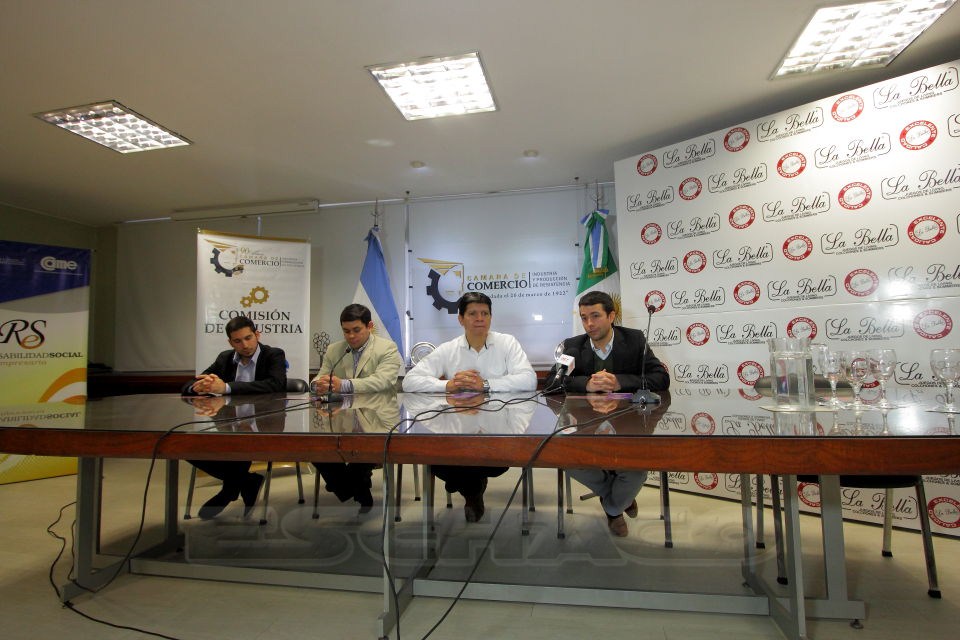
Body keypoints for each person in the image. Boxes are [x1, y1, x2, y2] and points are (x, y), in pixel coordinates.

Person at [402, 292, 537, 522]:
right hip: (458, 432)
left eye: (485, 313)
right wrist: (448, 385)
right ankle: (473, 492)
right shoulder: (448, 349)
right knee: (438, 459)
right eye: (473, 314)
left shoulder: (507, 343)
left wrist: (485, 385)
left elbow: (529, 380)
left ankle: (470, 491)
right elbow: (410, 381)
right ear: (460, 319)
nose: (480, 319)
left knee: (465, 462)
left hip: (498, 435)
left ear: (491, 317)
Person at [545, 290, 670, 537]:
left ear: (611, 316)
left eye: (595, 316)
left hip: (628, 429)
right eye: (584, 318)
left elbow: (661, 378)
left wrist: (620, 382)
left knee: (635, 471)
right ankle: (620, 501)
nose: (589, 324)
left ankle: (612, 508)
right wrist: (586, 384)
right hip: (585, 431)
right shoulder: (573, 346)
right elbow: (551, 383)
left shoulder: (634, 340)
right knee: (566, 460)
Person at [181, 316, 287, 520]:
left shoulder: (273, 354)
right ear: (230, 342)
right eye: (238, 341)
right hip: (229, 424)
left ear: (257, 335)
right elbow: (191, 384)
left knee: (240, 442)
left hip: (264, 424)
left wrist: (226, 387)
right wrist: (198, 386)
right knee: (185, 446)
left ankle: (230, 490)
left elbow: (275, 384)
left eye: (248, 338)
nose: (245, 345)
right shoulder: (225, 358)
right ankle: (246, 482)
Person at [310, 303, 403, 512]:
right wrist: (318, 385)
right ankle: (356, 488)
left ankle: (351, 487)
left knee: (363, 451)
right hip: (342, 420)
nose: (350, 336)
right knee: (316, 450)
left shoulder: (387, 348)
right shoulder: (335, 349)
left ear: (369, 326)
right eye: (346, 331)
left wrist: (343, 385)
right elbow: (319, 377)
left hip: (378, 421)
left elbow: (383, 382)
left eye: (356, 330)